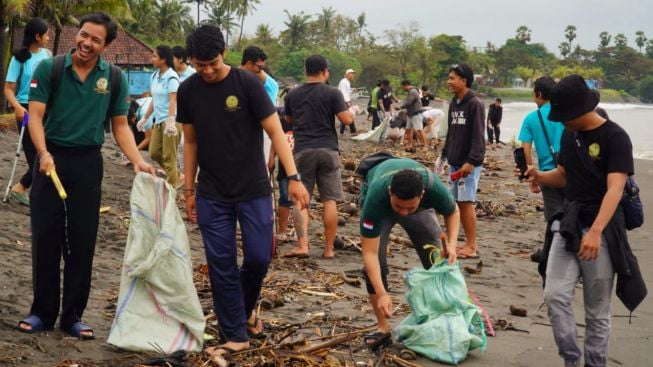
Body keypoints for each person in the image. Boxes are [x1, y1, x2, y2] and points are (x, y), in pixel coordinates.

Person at [19, 11, 155, 339]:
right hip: (50, 161)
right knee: (45, 237)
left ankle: (73, 316)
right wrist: (43, 153)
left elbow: (120, 126)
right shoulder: (49, 68)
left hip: (88, 164)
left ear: (105, 45)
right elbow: (35, 117)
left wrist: (137, 160)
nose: (86, 43)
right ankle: (42, 312)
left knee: (82, 242)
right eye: (83, 35)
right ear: (76, 34)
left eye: (95, 39)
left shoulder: (116, 78)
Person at [177, 24, 309, 357]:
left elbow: (277, 132)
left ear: (225, 54)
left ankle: (243, 309)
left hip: (253, 189)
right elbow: (190, 142)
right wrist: (189, 189)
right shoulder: (189, 90)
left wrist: (292, 177)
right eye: (199, 65)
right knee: (220, 261)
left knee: (258, 257)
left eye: (213, 63)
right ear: (191, 60)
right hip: (211, 192)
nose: (207, 71)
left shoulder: (248, 84)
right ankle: (235, 333)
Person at [526, 74, 646, 367]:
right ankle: (570, 358)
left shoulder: (615, 138)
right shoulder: (570, 134)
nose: (561, 122)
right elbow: (564, 175)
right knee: (554, 295)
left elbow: (615, 189)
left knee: (597, 311)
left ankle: (595, 363)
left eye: (564, 116)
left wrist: (595, 232)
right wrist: (539, 176)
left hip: (602, 231)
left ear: (579, 111)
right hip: (568, 224)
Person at [359, 157, 460, 344]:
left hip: (421, 211)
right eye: (399, 206)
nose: (403, 212)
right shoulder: (375, 198)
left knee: (437, 261)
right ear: (390, 192)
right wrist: (382, 294)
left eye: (408, 207)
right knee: (374, 268)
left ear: (422, 194)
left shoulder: (432, 187)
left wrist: (452, 244)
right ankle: (383, 327)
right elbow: (369, 253)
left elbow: (452, 212)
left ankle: (442, 322)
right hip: (382, 209)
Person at [283, 54, 354, 259]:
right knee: (329, 200)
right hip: (328, 149)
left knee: (300, 200)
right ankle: (329, 248)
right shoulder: (332, 93)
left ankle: (303, 245)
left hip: (303, 149)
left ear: (306, 71)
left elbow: (288, 120)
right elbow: (347, 120)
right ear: (325, 72)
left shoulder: (292, 95)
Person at [3, 18, 51, 206]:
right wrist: (17, 106)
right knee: (37, 157)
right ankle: (22, 188)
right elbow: (8, 89)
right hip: (26, 110)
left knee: (48, 153)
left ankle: (23, 188)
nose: (48, 37)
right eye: (46, 34)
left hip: (46, 109)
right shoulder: (19, 59)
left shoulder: (47, 55)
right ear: (37, 36)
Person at [517, 77, 565, 262]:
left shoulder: (531, 118)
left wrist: (532, 175)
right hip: (568, 170)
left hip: (547, 173)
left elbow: (526, 148)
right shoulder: (564, 114)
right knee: (572, 211)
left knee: (554, 216)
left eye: (533, 93)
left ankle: (550, 253)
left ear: (539, 94)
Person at [442, 64, 485, 259]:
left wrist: (472, 161)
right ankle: (461, 242)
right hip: (455, 161)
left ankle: (472, 245)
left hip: (468, 164)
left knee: (466, 203)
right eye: (449, 78)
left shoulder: (474, 104)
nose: (449, 82)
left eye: (453, 78)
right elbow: (451, 133)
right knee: (455, 203)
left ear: (464, 80)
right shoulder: (454, 103)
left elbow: (478, 136)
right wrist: (444, 155)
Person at [137, 46, 182, 188]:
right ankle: (176, 174)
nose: (152, 58)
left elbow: (173, 101)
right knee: (154, 152)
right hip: (158, 120)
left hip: (171, 121)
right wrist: (144, 118)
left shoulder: (172, 77)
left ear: (163, 60)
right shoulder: (154, 76)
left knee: (169, 157)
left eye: (155, 56)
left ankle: (172, 188)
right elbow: (154, 100)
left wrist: (171, 122)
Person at [239, 45, 279, 165]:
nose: (261, 70)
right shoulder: (234, 79)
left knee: (261, 162)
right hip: (239, 129)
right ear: (249, 63)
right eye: (260, 67)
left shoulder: (269, 86)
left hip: (262, 128)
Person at [399, 80, 424, 153]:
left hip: (415, 113)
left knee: (420, 130)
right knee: (408, 129)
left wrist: (400, 107)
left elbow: (409, 102)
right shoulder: (412, 91)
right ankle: (410, 145)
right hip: (411, 113)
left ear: (406, 85)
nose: (402, 88)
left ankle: (424, 145)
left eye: (402, 87)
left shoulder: (413, 91)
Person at [338, 68, 357, 135]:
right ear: (348, 74)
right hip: (344, 101)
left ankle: (341, 132)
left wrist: (352, 90)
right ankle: (353, 131)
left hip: (346, 100)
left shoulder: (347, 82)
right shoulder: (343, 81)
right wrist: (347, 102)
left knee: (346, 116)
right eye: (352, 74)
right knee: (350, 115)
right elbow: (343, 93)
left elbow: (347, 92)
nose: (353, 75)